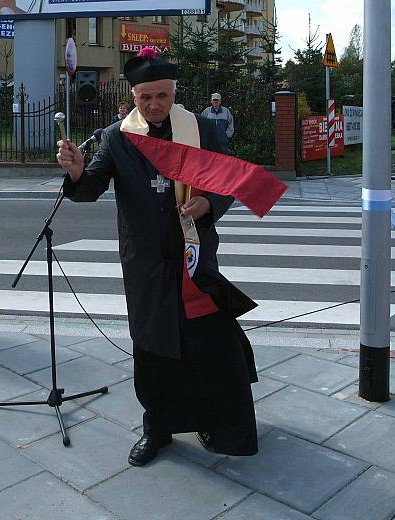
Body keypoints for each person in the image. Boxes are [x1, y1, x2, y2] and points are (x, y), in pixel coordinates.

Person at [57, 48, 258, 467]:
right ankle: (158, 428)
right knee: (152, 348)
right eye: (145, 97)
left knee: (204, 345)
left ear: (174, 93)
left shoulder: (201, 129)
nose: (154, 105)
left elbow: (227, 181)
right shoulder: (117, 137)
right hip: (145, 261)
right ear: (133, 96)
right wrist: (76, 173)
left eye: (162, 96)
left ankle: (212, 421)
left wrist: (208, 204)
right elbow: (90, 187)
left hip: (194, 257)